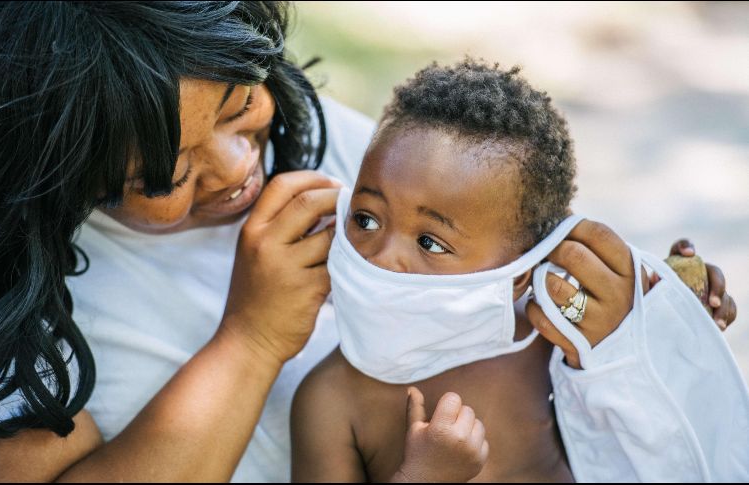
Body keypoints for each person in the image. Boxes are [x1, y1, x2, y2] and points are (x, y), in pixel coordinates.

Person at [0, 2, 736, 482]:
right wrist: (251, 338)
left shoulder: (335, 146)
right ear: (64, 176)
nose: (242, 169)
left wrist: (649, 332)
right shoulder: (51, 310)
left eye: (244, 106)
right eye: (167, 174)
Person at [290, 59, 749, 482]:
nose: (381, 255)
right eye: (366, 219)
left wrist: (674, 329)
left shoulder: (549, 336)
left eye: (430, 241)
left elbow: (651, 425)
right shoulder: (329, 402)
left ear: (519, 273)